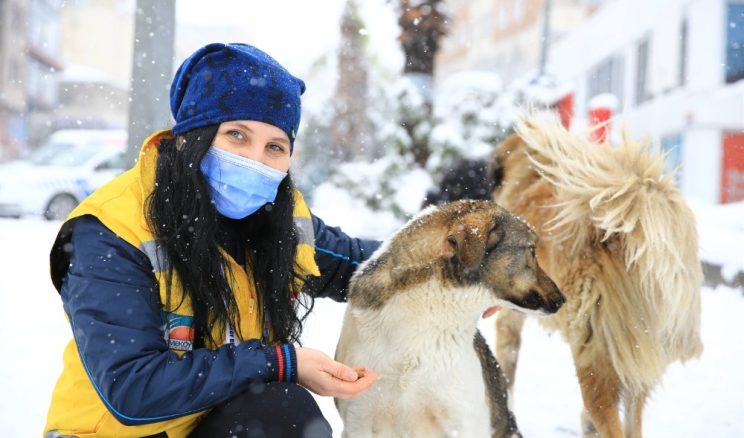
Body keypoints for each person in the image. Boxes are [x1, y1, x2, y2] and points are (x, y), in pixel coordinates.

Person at [44, 42, 380, 438]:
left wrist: (463, 268)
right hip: (116, 434)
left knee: (281, 410)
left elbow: (369, 266)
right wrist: (280, 362)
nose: (256, 159)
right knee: (280, 406)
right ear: (190, 136)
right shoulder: (113, 228)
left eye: (275, 147)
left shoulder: (278, 222)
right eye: (237, 135)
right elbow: (133, 389)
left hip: (212, 425)